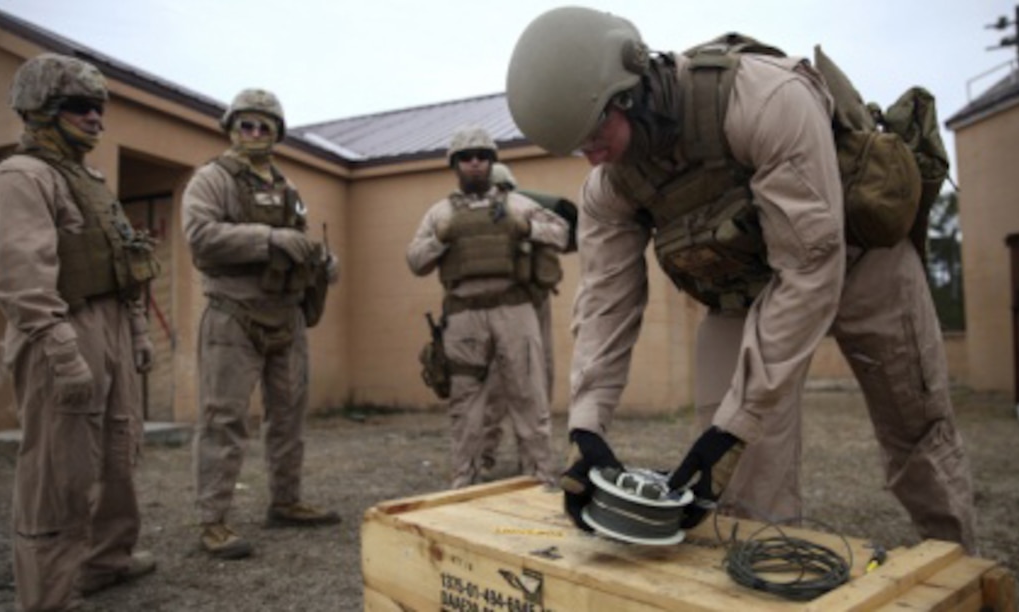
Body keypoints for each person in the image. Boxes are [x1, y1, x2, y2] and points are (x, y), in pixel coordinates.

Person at [506, 7, 977, 552]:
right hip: (744, 294)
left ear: (628, 92)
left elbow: (807, 270)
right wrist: (586, 430)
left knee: (919, 439)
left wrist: (738, 419)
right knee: (740, 474)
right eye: (575, 147)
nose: (590, 157)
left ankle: (965, 574)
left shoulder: (765, 102)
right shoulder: (608, 185)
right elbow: (605, 303)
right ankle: (761, 582)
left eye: (593, 134)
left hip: (859, 260)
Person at [0, 52, 158, 611]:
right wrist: (61, 351)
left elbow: (123, 261)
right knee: (57, 470)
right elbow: (21, 279)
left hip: (110, 324)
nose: (96, 118)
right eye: (80, 107)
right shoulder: (20, 178)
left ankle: (106, 561)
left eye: (98, 108)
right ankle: (48, 597)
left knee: (118, 451)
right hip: (61, 327)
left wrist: (139, 331)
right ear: (41, 111)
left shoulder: (87, 179)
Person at [183, 88, 341, 560]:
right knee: (223, 419)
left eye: (263, 126)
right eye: (245, 125)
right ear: (231, 128)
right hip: (234, 314)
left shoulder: (287, 188)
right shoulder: (211, 179)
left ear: (277, 133)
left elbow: (297, 242)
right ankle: (213, 520)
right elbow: (201, 237)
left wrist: (321, 262)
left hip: (286, 315)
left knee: (289, 417)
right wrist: (269, 239)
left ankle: (286, 500)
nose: (254, 133)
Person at [406, 126, 569, 488]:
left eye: (482, 156)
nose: (475, 163)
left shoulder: (517, 204)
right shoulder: (440, 214)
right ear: (456, 165)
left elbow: (563, 233)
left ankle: (541, 479)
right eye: (466, 157)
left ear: (492, 162)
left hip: (514, 310)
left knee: (529, 396)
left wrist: (525, 227)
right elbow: (415, 261)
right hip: (464, 315)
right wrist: (441, 237)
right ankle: (465, 482)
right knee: (465, 405)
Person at [477, 163, 577, 476]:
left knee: (536, 380)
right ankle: (484, 455)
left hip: (533, 302)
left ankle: (529, 458)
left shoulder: (528, 214)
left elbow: (563, 237)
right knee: (494, 384)